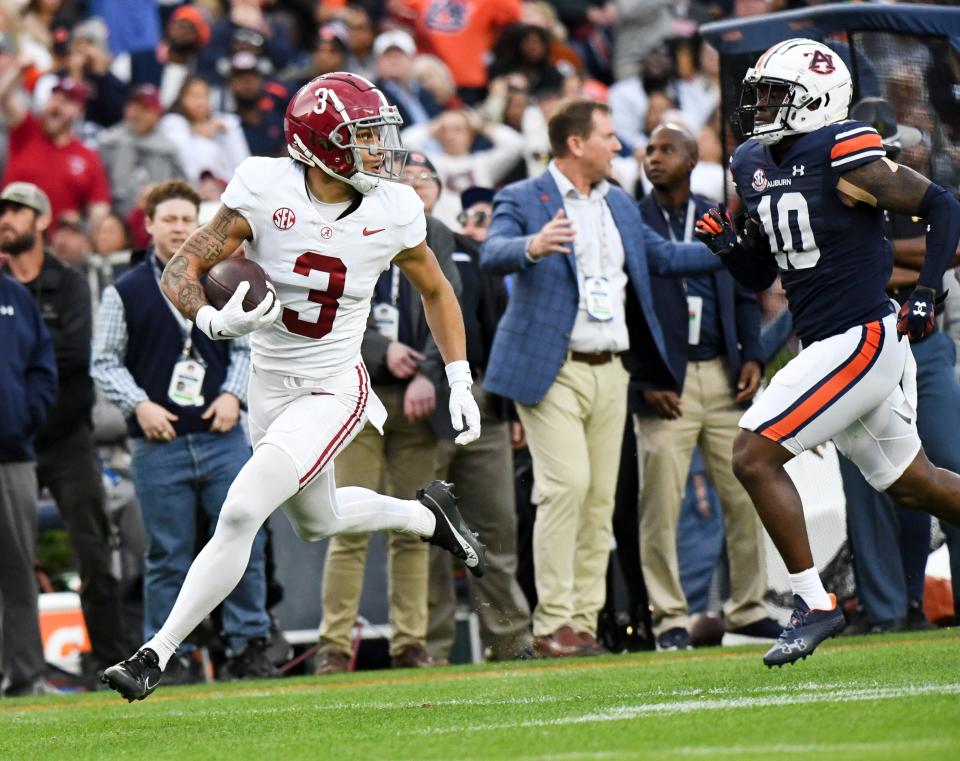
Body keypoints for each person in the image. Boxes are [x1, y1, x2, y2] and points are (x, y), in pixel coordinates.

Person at [102, 72, 485, 702]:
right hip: (268, 380)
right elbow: (182, 267)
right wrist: (211, 317)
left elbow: (437, 289)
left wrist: (458, 377)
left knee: (242, 510)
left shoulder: (394, 209)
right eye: (362, 137)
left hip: (333, 384)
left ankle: (153, 655)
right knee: (318, 521)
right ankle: (426, 515)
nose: (377, 151)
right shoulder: (262, 186)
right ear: (319, 145)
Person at [694, 39, 960, 668]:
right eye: (756, 94)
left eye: (773, 95)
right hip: (829, 341)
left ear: (814, 98)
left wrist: (925, 295)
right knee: (915, 485)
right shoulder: (751, 161)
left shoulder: (843, 149)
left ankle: (814, 602)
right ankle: (818, 602)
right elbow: (765, 273)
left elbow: (941, 206)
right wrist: (730, 246)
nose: (758, 107)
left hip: (861, 336)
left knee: (752, 454)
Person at [480, 98, 721, 658]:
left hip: (612, 368)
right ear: (576, 144)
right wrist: (532, 247)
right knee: (565, 488)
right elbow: (492, 252)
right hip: (552, 369)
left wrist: (731, 253)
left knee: (598, 498)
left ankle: (582, 625)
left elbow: (660, 257)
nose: (620, 146)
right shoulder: (524, 197)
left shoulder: (618, 202)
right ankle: (552, 623)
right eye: (609, 137)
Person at [92, 180, 279, 682]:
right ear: (149, 224)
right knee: (166, 554)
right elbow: (104, 362)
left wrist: (232, 394)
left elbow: (248, 346)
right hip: (159, 443)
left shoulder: (226, 276)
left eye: (186, 219)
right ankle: (166, 656)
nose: (178, 227)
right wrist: (140, 406)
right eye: (169, 219)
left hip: (222, 436)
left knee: (245, 543)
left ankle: (249, 644)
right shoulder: (125, 289)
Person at [313, 167, 463, 674]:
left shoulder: (435, 236)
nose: (417, 187)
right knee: (346, 523)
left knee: (414, 527)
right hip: (362, 396)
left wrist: (426, 370)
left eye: (426, 178)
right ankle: (333, 645)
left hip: (418, 405)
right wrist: (381, 349)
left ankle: (410, 643)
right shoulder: (350, 227)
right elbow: (327, 307)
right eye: (409, 177)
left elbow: (447, 303)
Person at [636, 123, 778, 650]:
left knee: (746, 493)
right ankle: (670, 617)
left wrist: (754, 355)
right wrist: (645, 376)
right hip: (665, 384)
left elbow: (744, 289)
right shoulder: (634, 216)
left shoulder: (716, 215)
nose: (654, 157)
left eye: (667, 149)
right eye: (649, 150)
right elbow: (631, 308)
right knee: (661, 504)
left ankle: (747, 607)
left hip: (722, 373)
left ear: (694, 159)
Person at [1, 181, 131, 678]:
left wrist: (23, 396)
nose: (6, 218)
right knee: (8, 562)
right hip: (12, 444)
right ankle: (17, 669)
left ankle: (110, 660)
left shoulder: (69, 283)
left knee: (94, 551)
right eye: (3, 211)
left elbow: (74, 355)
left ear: (41, 221)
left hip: (65, 438)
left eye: (18, 211)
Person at [427, 185, 534, 662]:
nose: (416, 183)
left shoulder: (470, 251)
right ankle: (428, 647)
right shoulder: (377, 251)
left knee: (496, 528)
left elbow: (500, 331)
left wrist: (509, 410)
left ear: (437, 190)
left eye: (425, 176)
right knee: (423, 532)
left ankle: (510, 642)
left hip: (484, 402)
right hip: (423, 410)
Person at [0, 262, 58, 696]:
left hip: (12, 455)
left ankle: (26, 677)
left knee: (18, 568)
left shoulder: (16, 297)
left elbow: (42, 365)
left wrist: (26, 417)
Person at [0, 55, 111, 229]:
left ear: (79, 111)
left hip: (55, 247)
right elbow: (4, 97)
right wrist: (17, 71)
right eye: (55, 97)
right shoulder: (26, 130)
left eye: (67, 101)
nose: (57, 105)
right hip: (10, 235)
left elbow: (99, 208)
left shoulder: (87, 156)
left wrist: (83, 229)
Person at [97, 84, 185, 218]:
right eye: (134, 107)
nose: (137, 114)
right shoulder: (108, 142)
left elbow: (184, 188)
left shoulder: (168, 149)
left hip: (159, 218)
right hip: (116, 219)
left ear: (157, 115)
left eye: (145, 109)